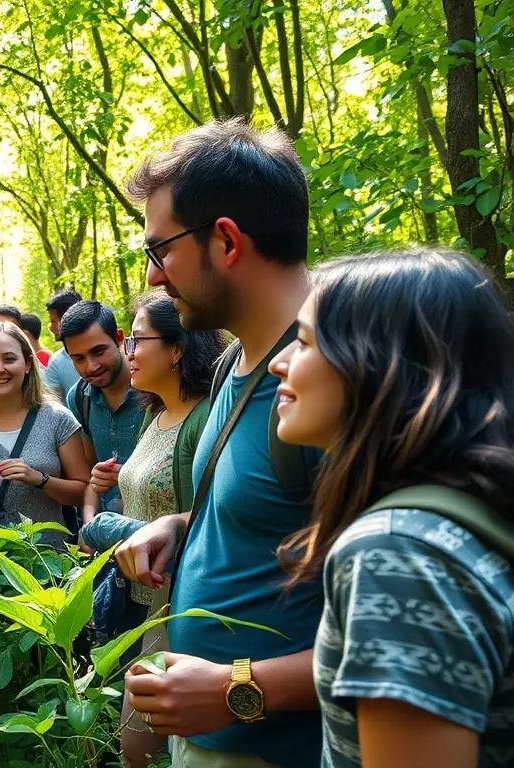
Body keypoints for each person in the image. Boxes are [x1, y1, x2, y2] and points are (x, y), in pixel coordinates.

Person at [119, 118, 323, 768]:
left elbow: (401, 630)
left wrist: (241, 690)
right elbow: (273, 517)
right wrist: (182, 525)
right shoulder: (238, 365)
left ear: (227, 240)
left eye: (160, 251)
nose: (153, 277)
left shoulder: (331, 388)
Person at [268, 249, 514, 768]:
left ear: (380, 365)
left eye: (306, 341)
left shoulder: (398, 552)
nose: (279, 361)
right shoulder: (467, 515)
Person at [79, 292, 223, 767]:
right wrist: (112, 483)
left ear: (178, 348)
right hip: (135, 601)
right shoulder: (155, 412)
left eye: (138, 340)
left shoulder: (204, 418)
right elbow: (149, 494)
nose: (129, 352)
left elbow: (203, 525)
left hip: (174, 604)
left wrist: (104, 525)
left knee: (139, 745)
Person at [0, 322, 90, 549]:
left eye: (9, 359)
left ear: (27, 364)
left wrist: (40, 479)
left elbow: (83, 492)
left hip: (47, 563)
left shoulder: (58, 418)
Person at [58, 299, 145, 533]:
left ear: (119, 338)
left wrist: (127, 476)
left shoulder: (153, 388)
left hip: (154, 531)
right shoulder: (79, 398)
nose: (91, 366)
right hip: (106, 533)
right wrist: (88, 524)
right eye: (78, 358)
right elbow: (90, 477)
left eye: (98, 351)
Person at [43, 289, 83, 399]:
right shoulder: (56, 362)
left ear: (67, 319)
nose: (50, 327)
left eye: (53, 321)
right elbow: (52, 402)